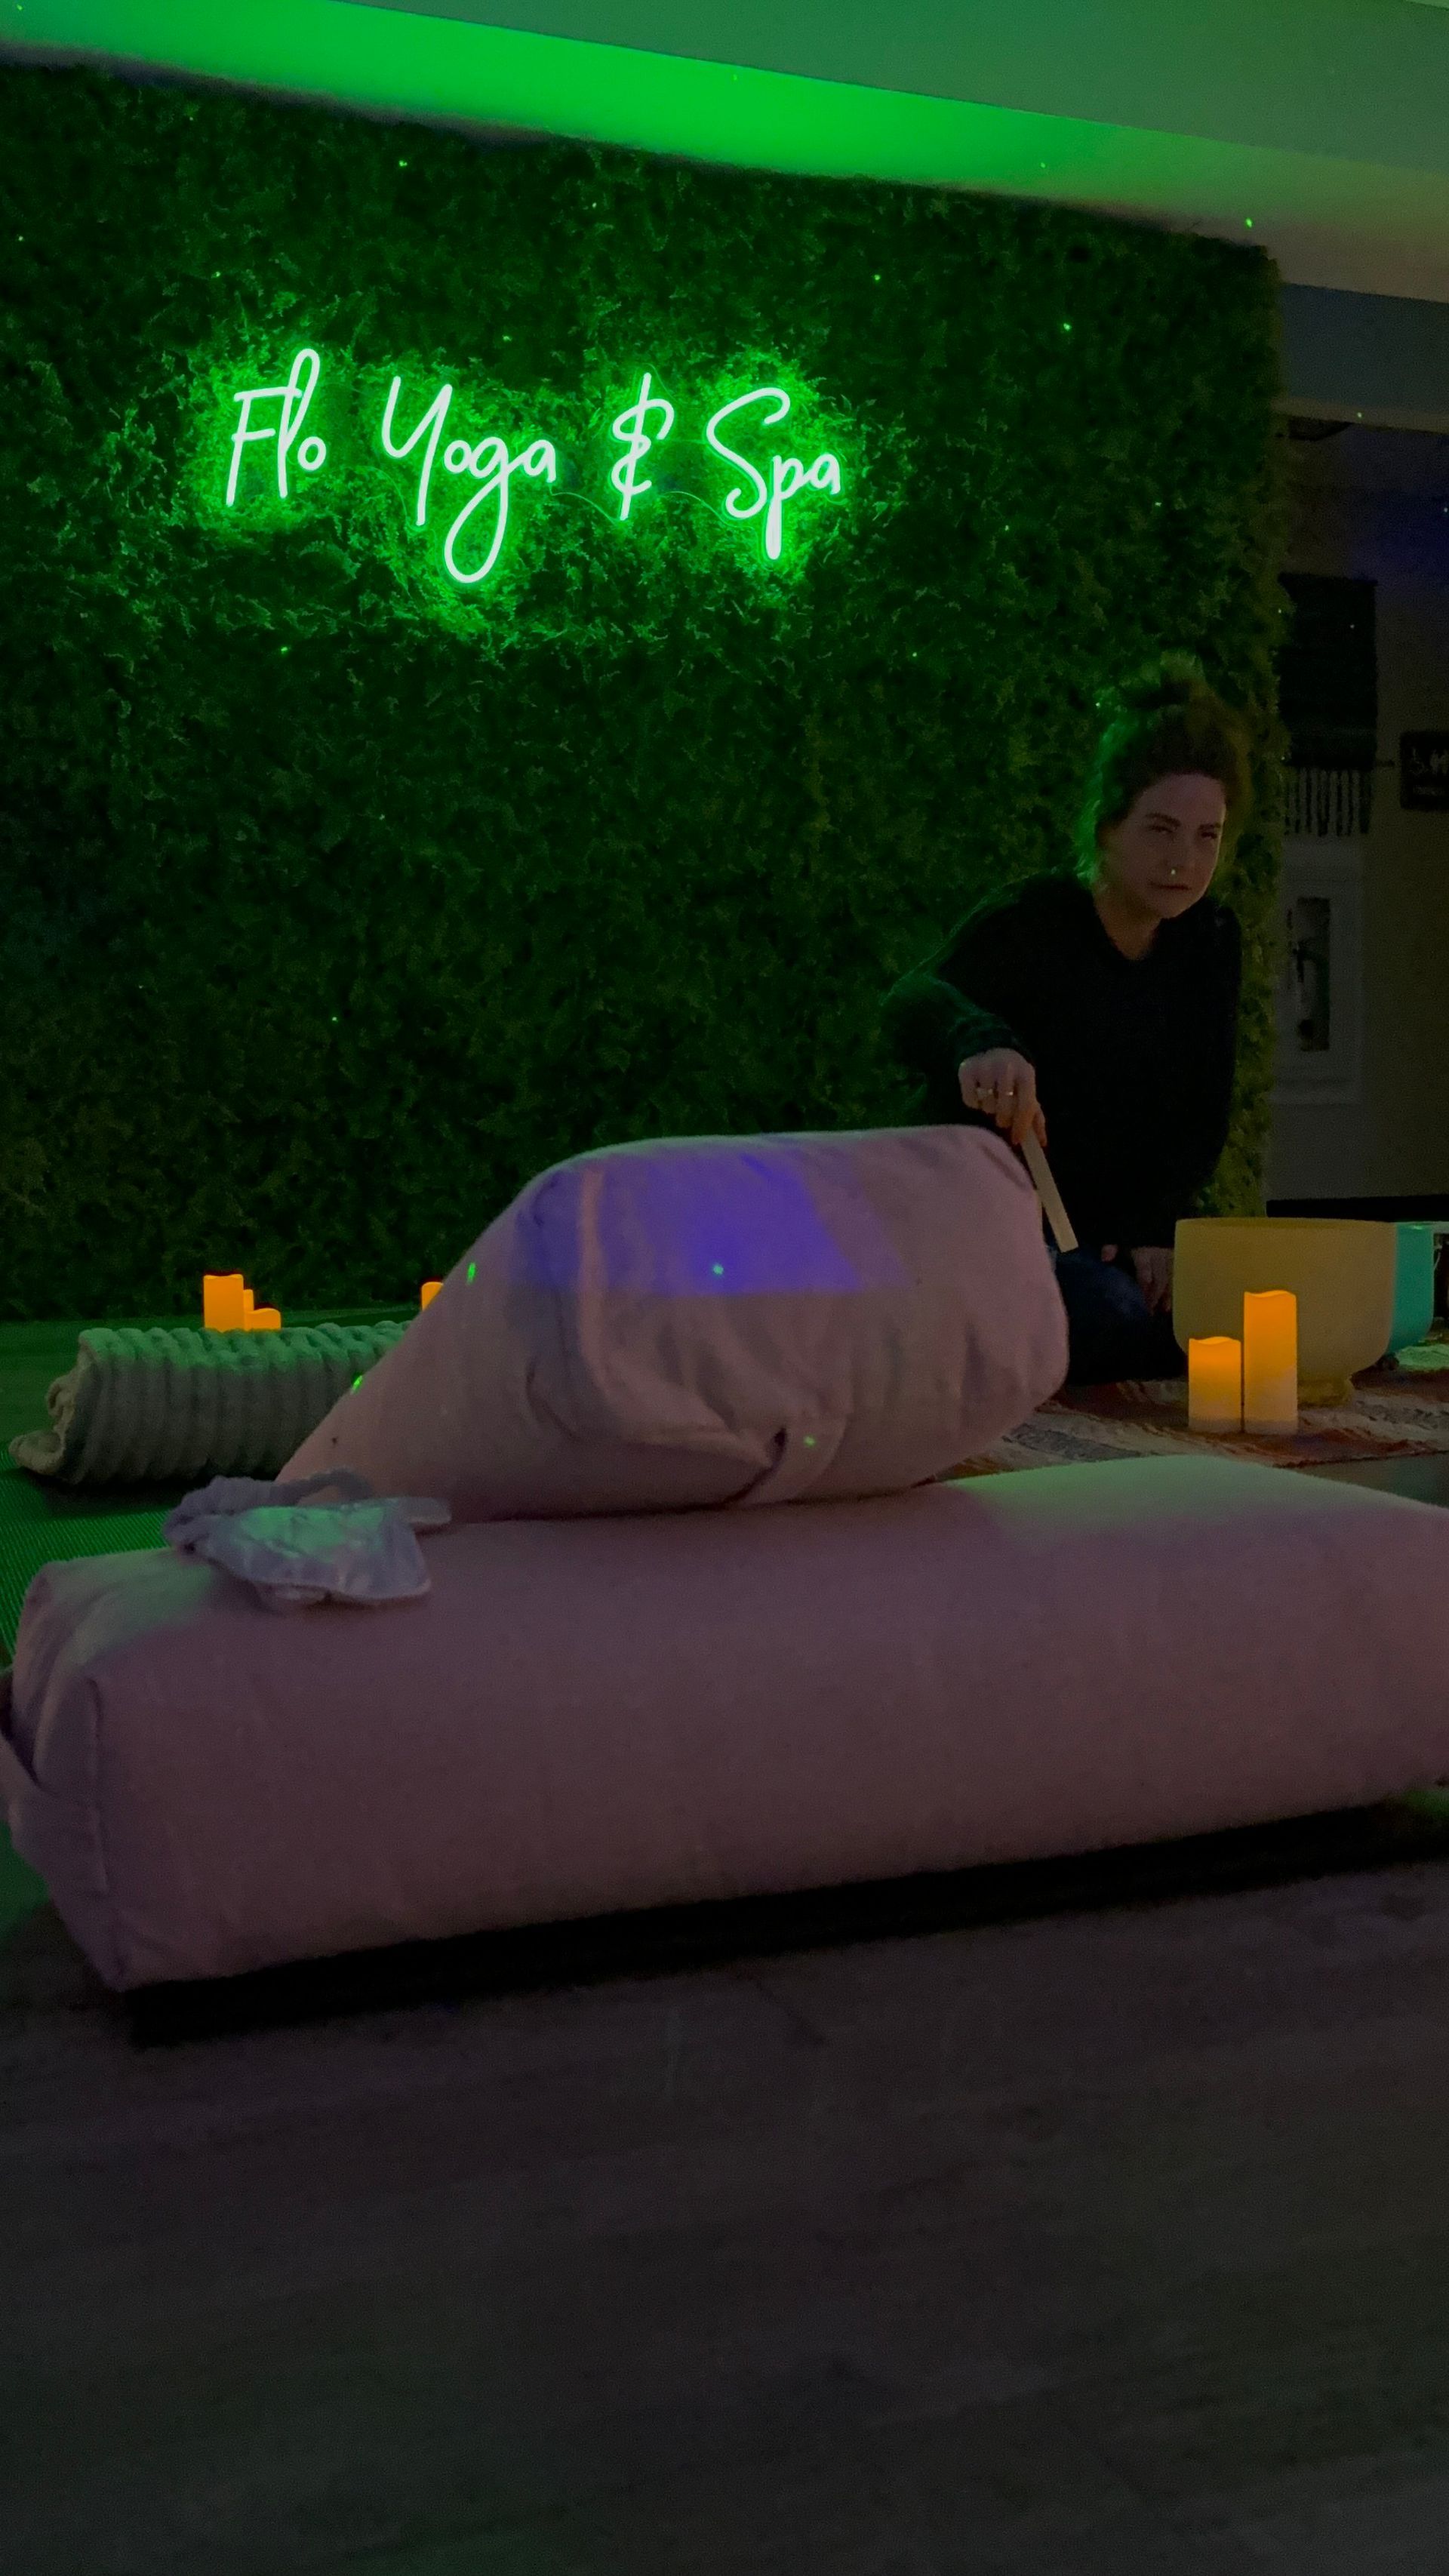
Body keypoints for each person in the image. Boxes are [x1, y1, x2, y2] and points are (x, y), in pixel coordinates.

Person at [881, 654, 1251, 1383]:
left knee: (1243, 1314)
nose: (1183, 860)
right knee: (1105, 1318)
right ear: (1107, 826)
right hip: (997, 1229)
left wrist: (1158, 1233)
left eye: (1207, 836)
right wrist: (980, 1043)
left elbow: (1202, 1114)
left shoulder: (1209, 940)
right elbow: (909, 1002)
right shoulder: (1036, 920)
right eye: (1161, 830)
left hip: (1113, 1243)